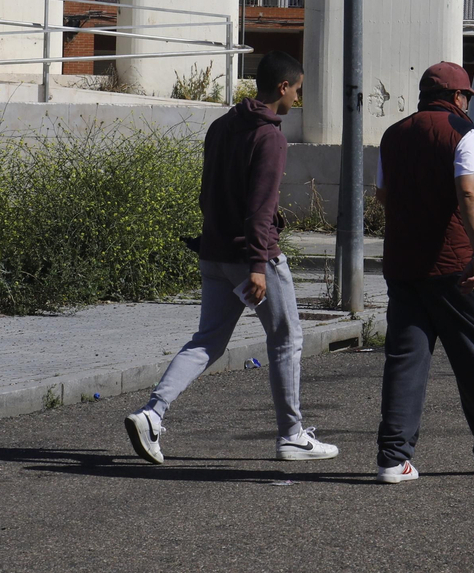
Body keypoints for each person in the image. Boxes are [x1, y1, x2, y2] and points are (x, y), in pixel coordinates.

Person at [125, 51, 339, 465]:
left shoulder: (221, 126)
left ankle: (152, 413)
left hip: (215, 252)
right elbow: (261, 207)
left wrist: (216, 243)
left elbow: (206, 194)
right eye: (298, 89)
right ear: (283, 87)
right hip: (251, 257)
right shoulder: (271, 137)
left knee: (208, 341)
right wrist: (258, 265)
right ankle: (292, 435)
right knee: (287, 340)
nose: (298, 97)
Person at [373, 61, 474, 483]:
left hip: (403, 263)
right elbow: (468, 191)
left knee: (405, 359)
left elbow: (382, 194)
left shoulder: (393, 135)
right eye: (467, 97)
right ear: (458, 97)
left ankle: (393, 458)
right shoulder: (463, 133)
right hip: (452, 265)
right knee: (473, 356)